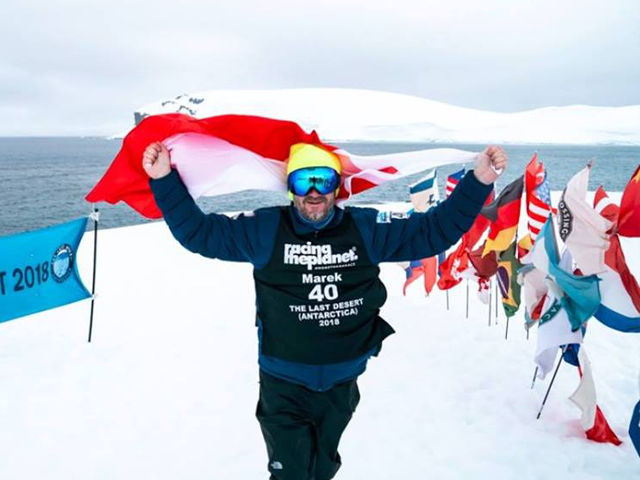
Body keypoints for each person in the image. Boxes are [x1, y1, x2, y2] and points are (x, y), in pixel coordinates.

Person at [143, 140, 507, 480]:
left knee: (322, 466)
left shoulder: (364, 229)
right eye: (303, 182)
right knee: (289, 472)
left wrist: (478, 182)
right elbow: (200, 234)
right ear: (290, 188)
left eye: (323, 180)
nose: (314, 192)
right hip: (283, 383)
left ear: (336, 187)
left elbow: (434, 232)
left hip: (342, 381)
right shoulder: (267, 229)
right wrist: (164, 180)